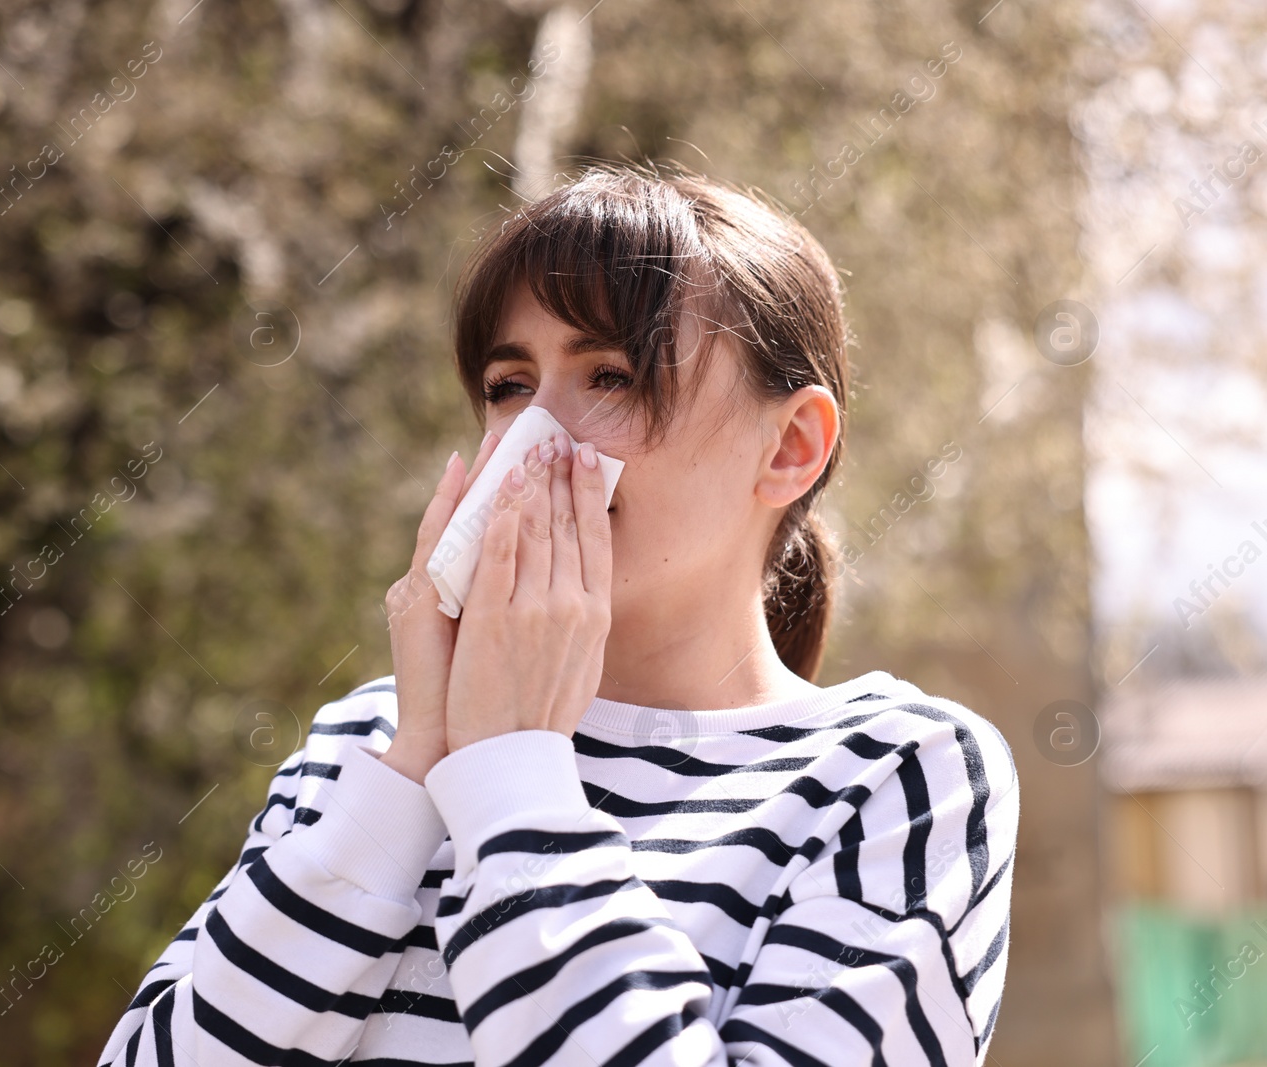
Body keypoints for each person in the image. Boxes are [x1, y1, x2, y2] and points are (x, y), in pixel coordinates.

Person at [95, 162, 1019, 1067]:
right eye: (508, 387)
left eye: (610, 376)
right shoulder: (363, 741)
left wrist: (511, 776)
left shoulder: (897, 775)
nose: (535, 439)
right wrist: (421, 759)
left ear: (789, 446)